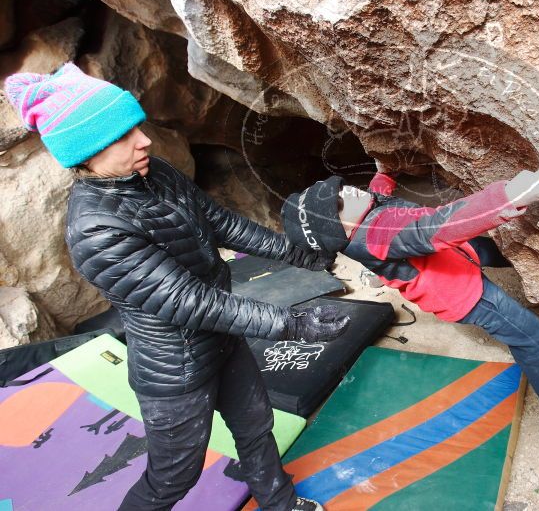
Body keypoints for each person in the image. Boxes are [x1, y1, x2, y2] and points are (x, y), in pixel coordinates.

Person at [4, 62, 349, 511]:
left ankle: (281, 504)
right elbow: (190, 302)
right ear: (84, 153)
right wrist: (294, 324)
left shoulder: (153, 173)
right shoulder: (95, 231)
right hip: (176, 371)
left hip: (222, 339)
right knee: (173, 479)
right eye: (122, 136)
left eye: (136, 127)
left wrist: (300, 254)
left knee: (256, 427)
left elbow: (219, 222)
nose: (143, 140)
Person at [281, 159, 539, 423]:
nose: (347, 191)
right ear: (341, 232)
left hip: (453, 259)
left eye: (337, 188)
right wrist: (512, 196)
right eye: (339, 203)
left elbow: (376, 195)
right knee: (532, 337)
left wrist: (384, 174)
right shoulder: (379, 235)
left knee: (505, 251)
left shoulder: (361, 214)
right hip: (463, 293)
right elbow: (438, 226)